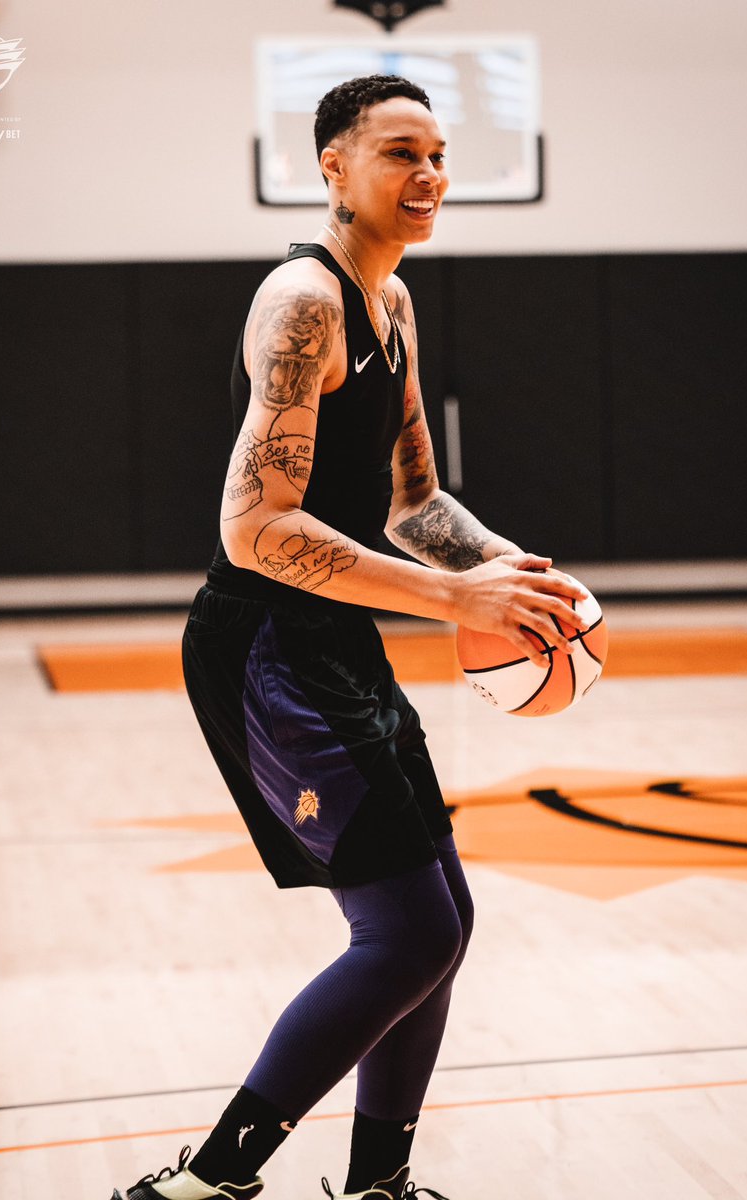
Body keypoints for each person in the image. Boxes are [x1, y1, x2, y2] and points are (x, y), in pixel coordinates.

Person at [111, 74, 587, 1200]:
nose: (428, 176)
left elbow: (415, 503)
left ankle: (378, 1186)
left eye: (437, 155)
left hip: (334, 644)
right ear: (331, 166)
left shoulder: (395, 302)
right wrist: (454, 605)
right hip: (266, 644)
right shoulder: (304, 302)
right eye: (399, 154)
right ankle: (204, 1184)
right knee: (408, 935)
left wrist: (507, 572)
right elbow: (255, 525)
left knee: (445, 922)